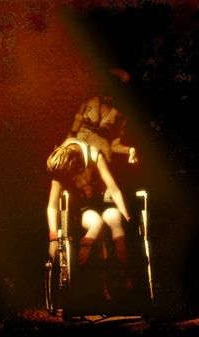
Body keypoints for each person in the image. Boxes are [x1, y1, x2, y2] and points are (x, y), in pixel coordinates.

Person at [46, 137, 132, 300]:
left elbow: (113, 189)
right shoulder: (60, 166)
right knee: (95, 222)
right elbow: (52, 206)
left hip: (104, 200)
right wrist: (53, 238)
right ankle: (81, 269)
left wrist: (126, 214)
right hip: (84, 207)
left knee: (114, 218)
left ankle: (124, 272)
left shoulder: (94, 156)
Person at [67, 68, 138, 165]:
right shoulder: (94, 101)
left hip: (97, 145)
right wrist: (70, 136)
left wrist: (130, 150)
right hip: (84, 140)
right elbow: (77, 122)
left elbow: (114, 143)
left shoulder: (118, 114)